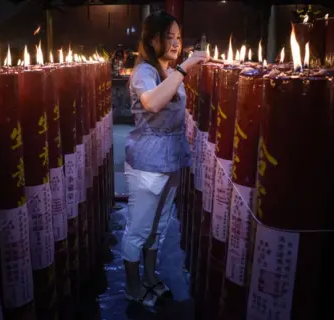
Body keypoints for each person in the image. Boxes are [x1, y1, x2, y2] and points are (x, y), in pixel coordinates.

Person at [122, 11, 209, 307]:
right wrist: (184, 68)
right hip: (147, 160)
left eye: (179, 37)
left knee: (159, 225)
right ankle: (133, 286)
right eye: (168, 37)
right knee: (140, 228)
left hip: (170, 157)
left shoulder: (169, 71)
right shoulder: (144, 72)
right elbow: (154, 103)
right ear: (153, 39)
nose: (175, 43)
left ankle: (150, 276)